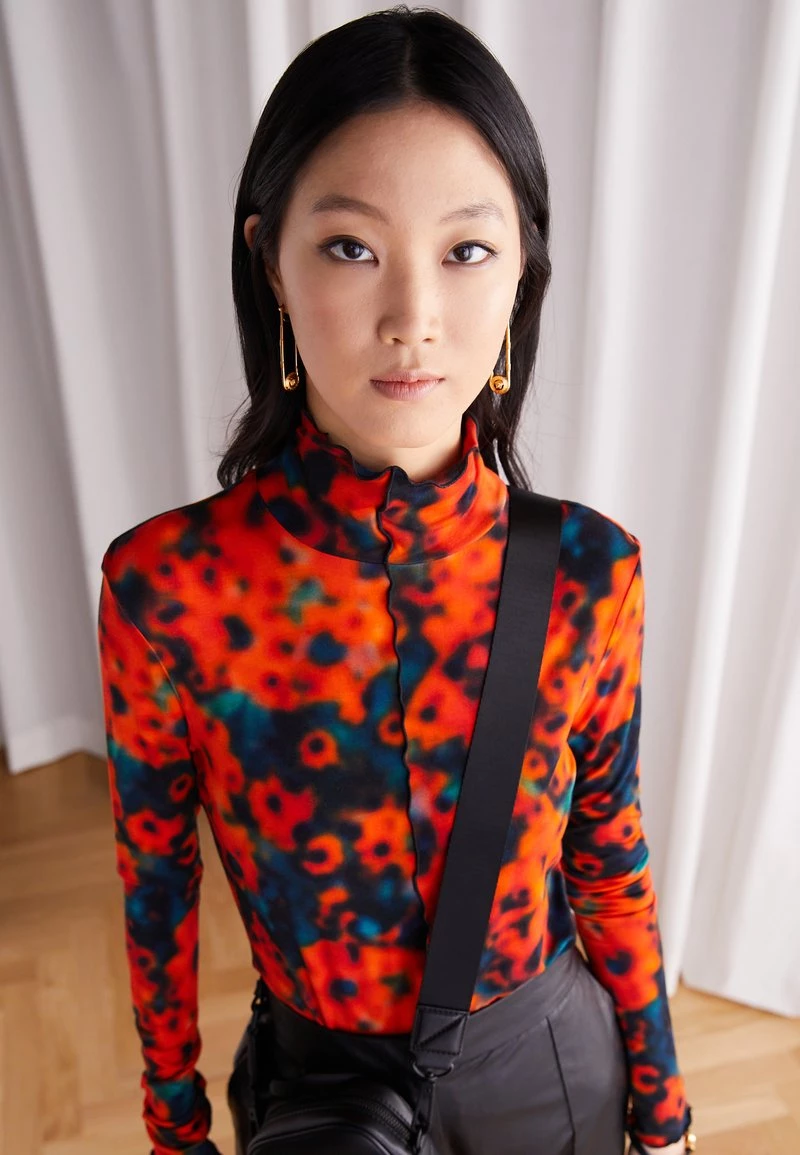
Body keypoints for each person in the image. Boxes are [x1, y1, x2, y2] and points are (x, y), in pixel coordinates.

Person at [97, 7, 695, 1154]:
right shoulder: (168, 589)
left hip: (550, 1077)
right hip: (320, 1099)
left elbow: (608, 853)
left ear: (521, 274)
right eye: (350, 247)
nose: (412, 320)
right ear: (270, 262)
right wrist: (173, 1125)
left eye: (466, 251)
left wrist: (661, 1113)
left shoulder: (588, 569)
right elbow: (155, 888)